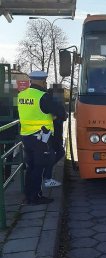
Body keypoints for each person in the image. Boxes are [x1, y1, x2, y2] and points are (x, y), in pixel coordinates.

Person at [17, 71, 65, 205]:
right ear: (43, 81)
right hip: (41, 138)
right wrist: (56, 116)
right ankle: (35, 197)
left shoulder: (21, 95)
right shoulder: (43, 96)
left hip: (26, 136)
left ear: (31, 80)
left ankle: (28, 196)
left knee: (31, 166)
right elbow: (62, 114)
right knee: (40, 167)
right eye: (45, 81)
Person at [43, 84, 67, 187]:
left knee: (54, 153)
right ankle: (47, 177)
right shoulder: (55, 104)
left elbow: (64, 116)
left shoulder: (46, 102)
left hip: (48, 133)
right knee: (55, 153)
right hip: (52, 133)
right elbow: (64, 116)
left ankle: (46, 172)